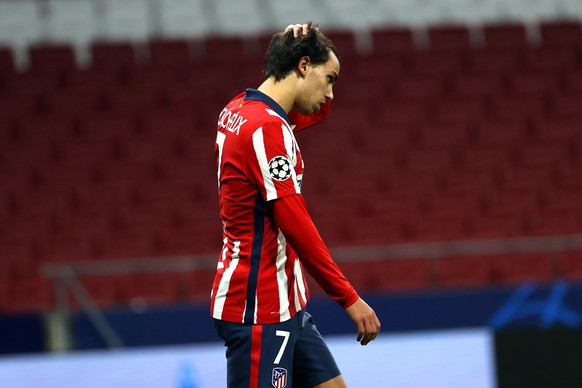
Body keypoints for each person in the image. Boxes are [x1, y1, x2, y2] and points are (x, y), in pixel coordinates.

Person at [211, 22, 381, 388]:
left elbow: (315, 111)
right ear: (304, 66)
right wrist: (349, 298)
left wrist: (296, 44)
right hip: (259, 308)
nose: (331, 94)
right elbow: (297, 225)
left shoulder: (241, 110)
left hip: (285, 304)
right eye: (330, 78)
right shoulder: (266, 129)